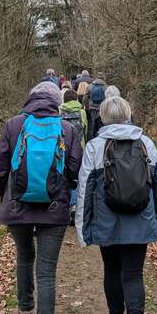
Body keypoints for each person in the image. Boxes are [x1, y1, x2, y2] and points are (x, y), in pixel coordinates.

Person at [75, 96, 157, 314]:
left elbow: (85, 190)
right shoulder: (145, 143)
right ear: (128, 114)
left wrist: (84, 229)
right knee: (134, 273)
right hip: (140, 220)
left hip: (107, 223)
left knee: (112, 270)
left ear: (102, 117)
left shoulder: (95, 147)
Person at [0, 83, 82, 314]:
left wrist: (6, 195)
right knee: (46, 274)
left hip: (18, 207)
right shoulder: (67, 130)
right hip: (54, 211)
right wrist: (64, 193)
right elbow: (74, 170)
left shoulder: (13, 124)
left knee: (23, 256)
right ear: (56, 102)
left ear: (30, 98)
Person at [59, 88, 88, 223]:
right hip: (79, 148)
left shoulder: (59, 112)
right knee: (76, 177)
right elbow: (86, 129)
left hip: (61, 147)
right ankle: (74, 206)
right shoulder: (82, 112)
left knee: (62, 174)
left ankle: (62, 203)